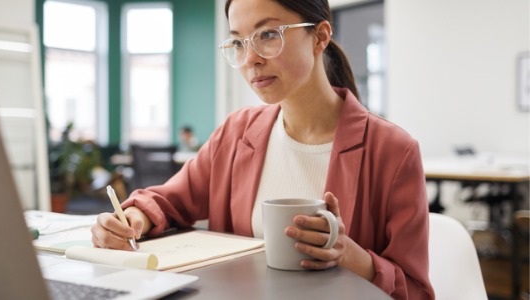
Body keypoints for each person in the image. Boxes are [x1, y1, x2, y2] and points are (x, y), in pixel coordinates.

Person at [91, 0, 434, 298]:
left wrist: (351, 256)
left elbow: (417, 292)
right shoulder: (237, 132)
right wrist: (132, 220)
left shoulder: (393, 151)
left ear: (320, 36)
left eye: (268, 35)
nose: (250, 59)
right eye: (238, 43)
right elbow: (167, 200)